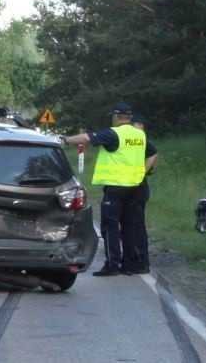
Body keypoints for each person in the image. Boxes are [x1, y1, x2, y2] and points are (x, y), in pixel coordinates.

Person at [63, 103, 147, 276]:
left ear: (116, 117)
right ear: (129, 117)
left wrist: (66, 140)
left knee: (110, 226)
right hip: (136, 187)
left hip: (116, 187)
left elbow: (87, 138)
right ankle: (129, 264)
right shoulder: (140, 134)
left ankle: (112, 264)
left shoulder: (113, 133)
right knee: (129, 226)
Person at [121, 114, 159, 274]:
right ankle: (133, 259)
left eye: (137, 125)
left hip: (137, 188)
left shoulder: (140, 139)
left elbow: (153, 153)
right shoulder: (135, 139)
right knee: (130, 224)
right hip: (131, 186)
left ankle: (140, 261)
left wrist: (143, 171)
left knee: (135, 224)